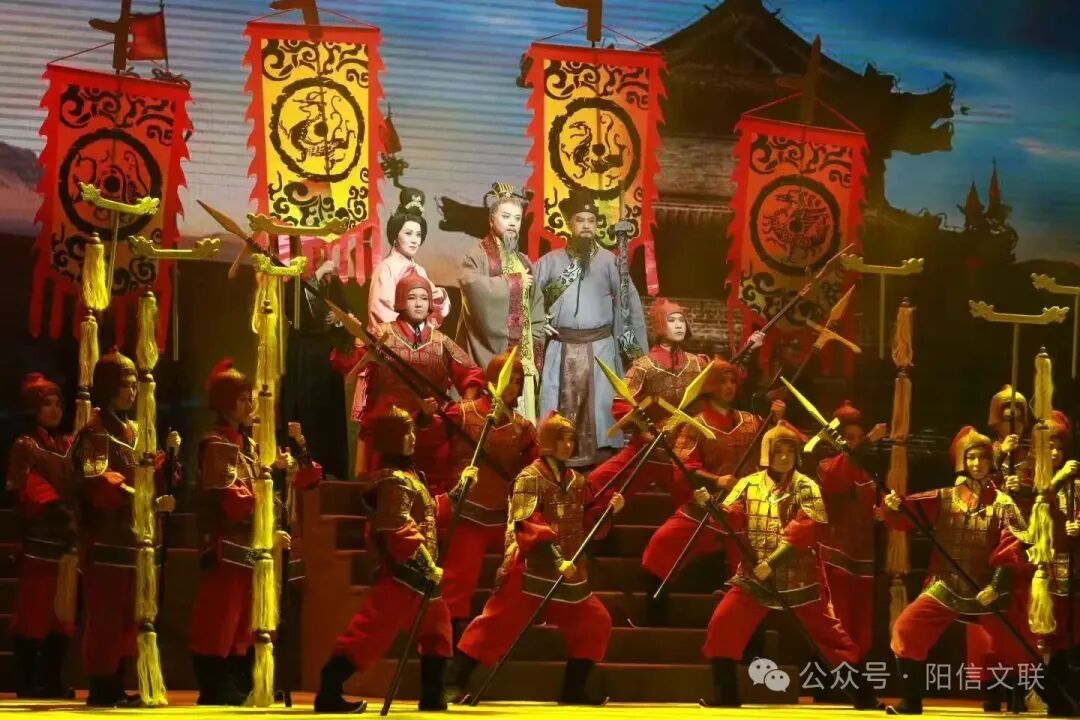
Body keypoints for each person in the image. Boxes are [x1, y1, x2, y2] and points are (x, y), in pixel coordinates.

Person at [693, 422, 879, 710]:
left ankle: (864, 697)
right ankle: (726, 695)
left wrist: (773, 562)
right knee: (723, 624)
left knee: (832, 638)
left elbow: (806, 529)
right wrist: (711, 507)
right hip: (755, 576)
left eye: (789, 451)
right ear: (766, 454)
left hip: (798, 576)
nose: (783, 457)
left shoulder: (807, 486)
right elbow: (733, 518)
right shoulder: (748, 484)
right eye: (777, 451)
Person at [448, 412, 625, 705]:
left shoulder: (577, 481)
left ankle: (573, 689)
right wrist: (556, 559)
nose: (568, 445)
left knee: (595, 621)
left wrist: (608, 511)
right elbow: (528, 523)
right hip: (530, 568)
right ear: (548, 441)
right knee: (494, 625)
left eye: (571, 440)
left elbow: (584, 521)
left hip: (568, 570)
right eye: (562, 439)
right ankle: (453, 681)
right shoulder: (530, 478)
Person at [188, 360, 321, 705]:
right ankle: (216, 684)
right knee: (222, 616)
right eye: (243, 398)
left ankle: (239, 681)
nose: (250, 405)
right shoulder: (217, 443)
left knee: (246, 617)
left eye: (251, 398)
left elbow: (304, 480)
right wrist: (264, 504)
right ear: (225, 402)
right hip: (229, 543)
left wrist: (294, 458)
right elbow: (231, 498)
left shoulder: (250, 445)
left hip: (251, 545)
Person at [313, 407, 454, 714]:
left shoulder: (410, 476)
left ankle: (433, 696)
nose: (413, 438)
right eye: (406, 432)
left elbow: (428, 513)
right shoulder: (392, 480)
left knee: (438, 633)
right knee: (368, 636)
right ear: (392, 438)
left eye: (413, 431)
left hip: (422, 580)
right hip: (403, 575)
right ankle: (329, 690)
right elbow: (397, 527)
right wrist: (428, 565)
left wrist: (458, 494)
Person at [883, 427, 1031, 716]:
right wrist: (895, 506)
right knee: (906, 629)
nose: (977, 463)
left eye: (983, 458)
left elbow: (1013, 545)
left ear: (991, 462)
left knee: (1015, 647)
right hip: (946, 584)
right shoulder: (944, 497)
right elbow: (907, 514)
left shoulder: (1003, 503)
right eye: (971, 457)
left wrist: (997, 585)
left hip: (987, 587)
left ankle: (1020, 698)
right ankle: (911, 701)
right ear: (963, 461)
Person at [637, 358, 780, 626]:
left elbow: (778, 452)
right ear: (711, 385)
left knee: (756, 564)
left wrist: (777, 421)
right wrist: (717, 481)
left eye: (733, 381)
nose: (729, 386)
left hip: (744, 510)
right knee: (661, 544)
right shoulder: (695, 424)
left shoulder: (752, 422)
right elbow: (684, 467)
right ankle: (654, 617)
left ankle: (751, 630)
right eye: (723, 381)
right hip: (705, 505)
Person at [73, 348, 178, 706]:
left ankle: (116, 681)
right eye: (126, 385)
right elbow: (99, 481)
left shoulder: (134, 430)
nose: (133, 392)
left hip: (133, 539)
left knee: (129, 617)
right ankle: (102, 684)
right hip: (106, 540)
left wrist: (168, 461)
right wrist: (143, 499)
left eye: (135, 385)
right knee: (106, 615)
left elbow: (151, 474)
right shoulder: (94, 432)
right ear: (108, 388)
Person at [331, 270, 484, 492]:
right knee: (387, 492)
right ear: (402, 300)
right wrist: (347, 338)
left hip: (430, 434)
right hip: (388, 432)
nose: (419, 303)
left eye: (424, 298)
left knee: (432, 494)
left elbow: (471, 374)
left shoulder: (441, 342)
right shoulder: (380, 334)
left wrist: (465, 408)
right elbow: (348, 362)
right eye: (412, 297)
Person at [535, 188, 647, 467]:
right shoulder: (549, 262)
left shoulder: (610, 261)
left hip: (600, 352)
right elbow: (526, 298)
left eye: (591, 220)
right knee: (557, 416)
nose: (586, 225)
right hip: (561, 349)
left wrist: (636, 357)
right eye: (580, 220)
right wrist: (539, 321)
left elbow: (628, 307)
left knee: (601, 412)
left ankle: (599, 471)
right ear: (568, 223)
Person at [441, 352, 538, 648]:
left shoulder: (523, 428)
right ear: (493, 380)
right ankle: (448, 642)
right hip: (467, 512)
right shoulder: (462, 413)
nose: (513, 387)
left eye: (518, 381)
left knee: (516, 574)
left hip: (502, 516)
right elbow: (434, 446)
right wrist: (425, 419)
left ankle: (501, 633)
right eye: (508, 379)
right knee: (459, 581)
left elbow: (535, 469)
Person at [587, 299, 710, 504]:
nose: (679, 325)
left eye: (682, 320)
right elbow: (621, 403)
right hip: (648, 448)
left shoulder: (698, 363)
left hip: (686, 452)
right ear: (660, 323)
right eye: (672, 320)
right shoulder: (643, 366)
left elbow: (718, 391)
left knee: (700, 501)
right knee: (597, 482)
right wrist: (645, 430)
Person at [6, 373, 75, 699]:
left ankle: (52, 677)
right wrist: (54, 505)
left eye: (59, 404)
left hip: (66, 542)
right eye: (47, 404)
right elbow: (26, 487)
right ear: (33, 408)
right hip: (39, 541)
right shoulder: (26, 446)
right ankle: (29, 679)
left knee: (61, 615)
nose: (55, 410)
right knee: (35, 612)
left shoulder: (66, 445)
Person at [455, 182, 546, 422]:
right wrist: (512, 282)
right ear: (491, 220)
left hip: (524, 351)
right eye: (506, 217)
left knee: (523, 420)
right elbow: (471, 286)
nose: (512, 223)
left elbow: (535, 304)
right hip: (494, 351)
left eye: (517, 218)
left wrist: (536, 336)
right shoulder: (478, 255)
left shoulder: (524, 261)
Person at [816, 401, 887, 662]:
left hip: (864, 558)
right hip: (836, 557)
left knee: (862, 624)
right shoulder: (827, 466)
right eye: (849, 438)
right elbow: (836, 481)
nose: (855, 443)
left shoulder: (870, 474)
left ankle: (857, 668)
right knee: (838, 619)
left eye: (859, 437)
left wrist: (883, 513)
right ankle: (837, 669)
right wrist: (867, 442)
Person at [367, 188, 450, 332]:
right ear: (395, 236)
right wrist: (411, 332)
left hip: (417, 338)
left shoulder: (419, 271)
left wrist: (440, 298)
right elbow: (382, 315)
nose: (414, 240)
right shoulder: (386, 269)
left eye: (418, 235)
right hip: (393, 339)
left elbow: (433, 313)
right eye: (408, 233)